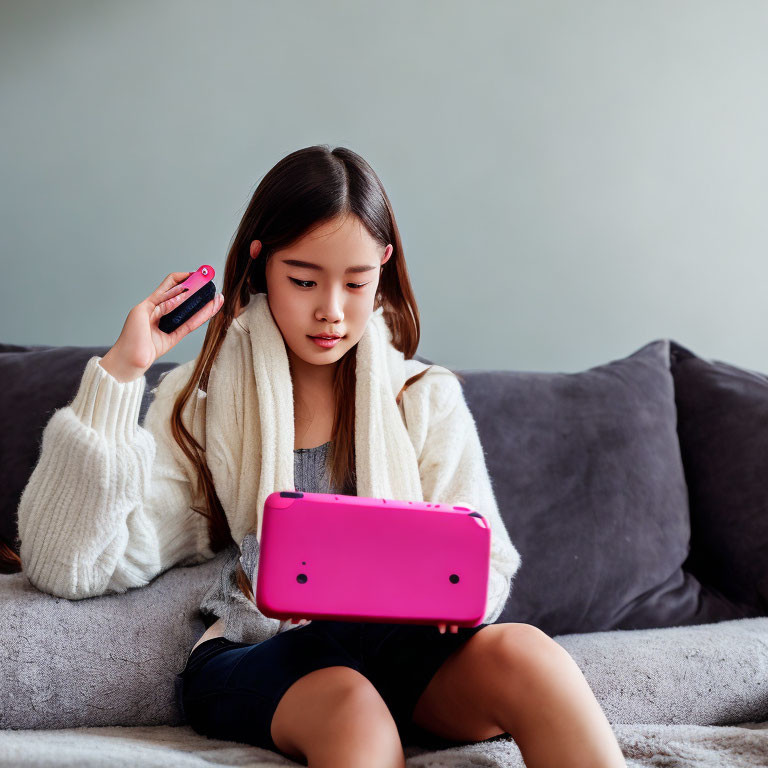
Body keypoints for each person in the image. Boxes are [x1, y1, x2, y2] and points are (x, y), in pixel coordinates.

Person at [17, 145, 626, 768]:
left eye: (356, 283)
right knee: (351, 707)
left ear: (383, 266)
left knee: (530, 654)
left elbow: (486, 562)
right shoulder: (200, 405)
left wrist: (457, 599)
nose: (331, 310)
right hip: (262, 653)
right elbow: (76, 564)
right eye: (303, 280)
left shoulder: (424, 399)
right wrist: (122, 373)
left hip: (397, 647)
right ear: (261, 265)